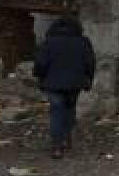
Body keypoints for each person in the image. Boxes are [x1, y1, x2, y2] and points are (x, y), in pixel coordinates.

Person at [32, 16, 96, 159]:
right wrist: (88, 79)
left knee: (56, 112)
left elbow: (40, 64)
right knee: (70, 109)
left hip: (53, 84)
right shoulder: (83, 42)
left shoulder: (49, 42)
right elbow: (90, 63)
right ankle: (67, 137)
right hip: (75, 83)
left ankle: (57, 146)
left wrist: (39, 76)